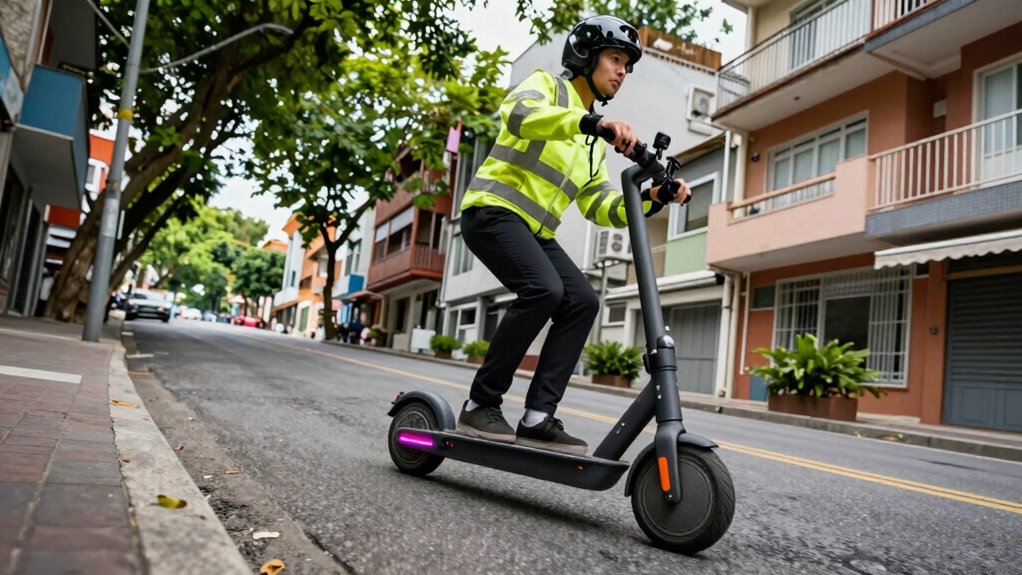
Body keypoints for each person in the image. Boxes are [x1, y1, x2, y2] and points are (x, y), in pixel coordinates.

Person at [455, 15, 692, 455]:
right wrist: (590, 124)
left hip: (533, 231)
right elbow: (519, 115)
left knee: (582, 300)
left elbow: (600, 206)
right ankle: (480, 404)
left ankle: (538, 416)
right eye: (616, 59)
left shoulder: (590, 144)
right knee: (543, 290)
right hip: (491, 212)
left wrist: (654, 196)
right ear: (586, 55)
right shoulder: (547, 87)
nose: (622, 71)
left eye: (627, 65)